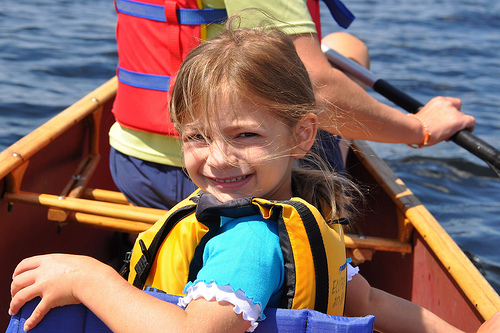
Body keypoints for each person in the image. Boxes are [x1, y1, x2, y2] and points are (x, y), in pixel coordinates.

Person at [9, 24, 498, 333]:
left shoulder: (249, 243)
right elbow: (369, 302)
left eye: (245, 134)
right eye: (197, 137)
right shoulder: (296, 224)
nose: (219, 159)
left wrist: (88, 277)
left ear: (304, 134)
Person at [109, 0, 475, 210]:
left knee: (346, 47)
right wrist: (420, 129)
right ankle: (329, 207)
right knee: (336, 72)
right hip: (211, 177)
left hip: (135, 169)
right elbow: (320, 89)